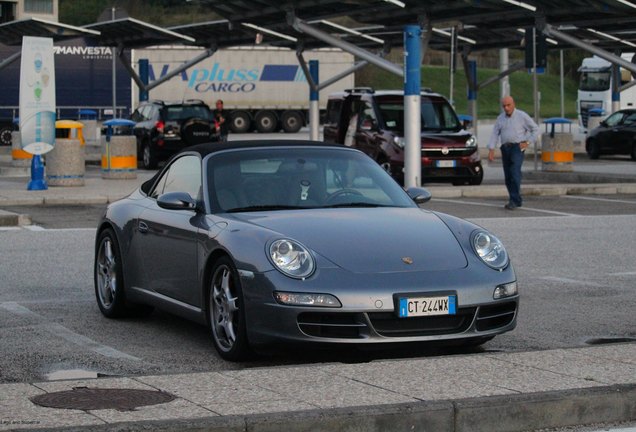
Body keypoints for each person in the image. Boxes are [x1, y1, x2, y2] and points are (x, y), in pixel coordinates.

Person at [487, 96, 539, 210]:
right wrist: (491, 149)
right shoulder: (500, 118)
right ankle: (516, 198)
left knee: (514, 171)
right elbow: (495, 133)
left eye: (508, 105)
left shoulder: (522, 116)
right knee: (508, 176)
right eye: (504, 106)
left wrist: (528, 142)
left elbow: (535, 129)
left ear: (513, 104)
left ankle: (514, 200)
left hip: (517, 147)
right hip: (505, 148)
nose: (506, 108)